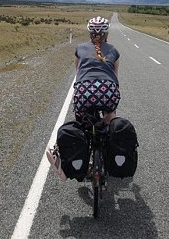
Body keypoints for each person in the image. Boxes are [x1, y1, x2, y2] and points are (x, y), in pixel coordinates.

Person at [47, 16, 121, 180]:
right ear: (106, 33)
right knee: (110, 116)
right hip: (108, 91)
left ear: (89, 32)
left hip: (84, 91)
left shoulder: (79, 48)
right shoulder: (114, 51)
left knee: (81, 123)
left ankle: (63, 153)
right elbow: (115, 79)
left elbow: (78, 74)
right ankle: (108, 145)